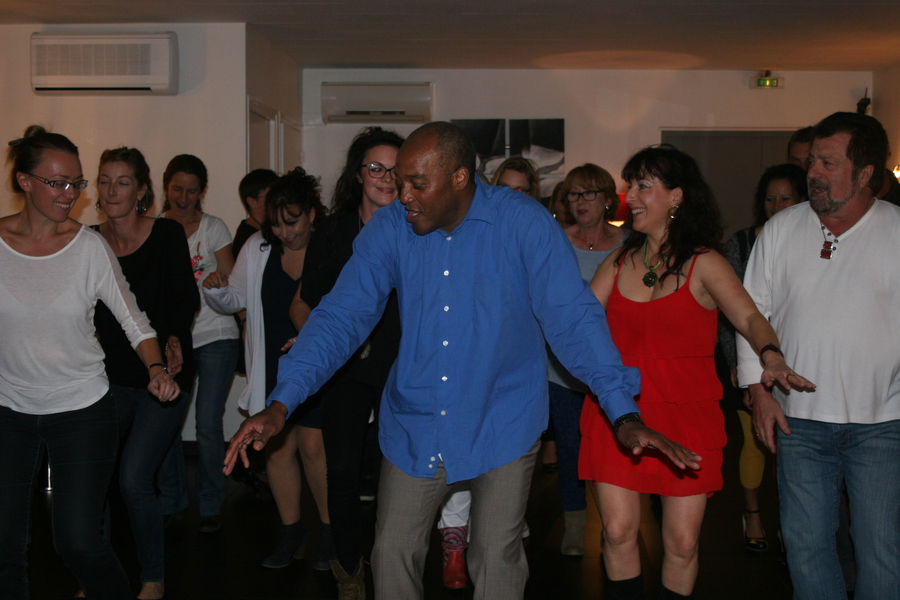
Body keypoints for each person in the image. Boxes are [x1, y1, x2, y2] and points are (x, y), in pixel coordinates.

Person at [224, 121, 702, 600]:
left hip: (502, 417)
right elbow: (340, 316)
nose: (402, 195)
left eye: (417, 183)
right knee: (391, 552)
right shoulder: (392, 227)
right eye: (400, 181)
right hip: (416, 420)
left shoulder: (522, 223)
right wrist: (282, 402)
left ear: (458, 178)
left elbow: (573, 319)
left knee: (495, 557)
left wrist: (622, 411)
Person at [581, 144, 812, 600]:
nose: (631, 197)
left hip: (685, 415)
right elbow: (578, 325)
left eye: (643, 186)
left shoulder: (705, 262)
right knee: (618, 532)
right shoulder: (619, 261)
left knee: (683, 544)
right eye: (631, 186)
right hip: (619, 411)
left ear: (677, 196)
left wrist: (771, 354)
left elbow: (749, 318)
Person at [0, 126, 179, 599]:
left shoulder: (88, 248)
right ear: (24, 182)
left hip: (81, 410)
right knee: (4, 543)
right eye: (58, 182)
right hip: (9, 411)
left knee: (78, 542)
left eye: (76, 182)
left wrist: (156, 369)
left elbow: (135, 320)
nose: (71, 193)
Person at [738, 111, 900, 600]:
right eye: (812, 161)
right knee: (806, 548)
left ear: (865, 173)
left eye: (828, 163)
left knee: (881, 550)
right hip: (799, 423)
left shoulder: (896, 231)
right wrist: (758, 393)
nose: (813, 172)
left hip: (884, 424)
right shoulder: (781, 229)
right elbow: (750, 313)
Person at [287, 126, 404, 597]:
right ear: (358, 174)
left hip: (401, 370)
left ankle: (393, 564)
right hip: (345, 370)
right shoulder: (333, 232)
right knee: (340, 472)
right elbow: (305, 303)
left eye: (395, 169)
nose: (386, 177)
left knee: (398, 475)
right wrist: (314, 343)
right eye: (376, 168)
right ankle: (349, 571)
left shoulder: (420, 228)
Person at [203, 167, 332, 569]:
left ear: (311, 213)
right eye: (276, 224)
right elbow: (235, 297)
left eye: (292, 222)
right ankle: (292, 532)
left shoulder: (331, 246)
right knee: (275, 450)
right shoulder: (258, 248)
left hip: (317, 362)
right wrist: (217, 291)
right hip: (273, 363)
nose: (285, 233)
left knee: (314, 447)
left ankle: (330, 533)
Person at [91, 146, 199, 600]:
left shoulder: (167, 233)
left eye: (122, 182)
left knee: (134, 478)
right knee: (94, 476)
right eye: (104, 181)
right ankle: (95, 575)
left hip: (164, 376)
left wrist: (172, 338)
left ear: (140, 191)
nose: (111, 190)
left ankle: (153, 577)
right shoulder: (89, 241)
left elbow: (185, 300)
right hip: (109, 379)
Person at [718, 163, 806, 552]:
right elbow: (731, 316)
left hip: (796, 363)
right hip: (751, 362)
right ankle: (752, 514)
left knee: (792, 451)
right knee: (755, 443)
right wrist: (739, 367)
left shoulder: (812, 242)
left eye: (785, 198)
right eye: (770, 198)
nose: (776, 206)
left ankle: (792, 525)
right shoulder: (740, 244)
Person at [545, 163, 628, 557]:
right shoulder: (556, 242)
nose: (580, 202)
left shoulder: (628, 244)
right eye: (573, 194)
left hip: (613, 367)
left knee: (615, 448)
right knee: (570, 448)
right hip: (562, 370)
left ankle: (616, 524)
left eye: (589, 193)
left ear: (608, 199)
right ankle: (575, 525)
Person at [158, 154, 239, 533]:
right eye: (177, 189)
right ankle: (171, 501)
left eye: (191, 191)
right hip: (174, 338)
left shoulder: (213, 227)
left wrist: (219, 282)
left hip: (216, 333)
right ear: (166, 187)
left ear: (201, 192)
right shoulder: (155, 228)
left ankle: (210, 505)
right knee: (167, 422)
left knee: (207, 422)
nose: (183, 198)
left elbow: (233, 282)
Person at [233, 168, 278, 259]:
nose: (277, 200)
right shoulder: (247, 239)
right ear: (252, 202)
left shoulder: (270, 229)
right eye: (270, 196)